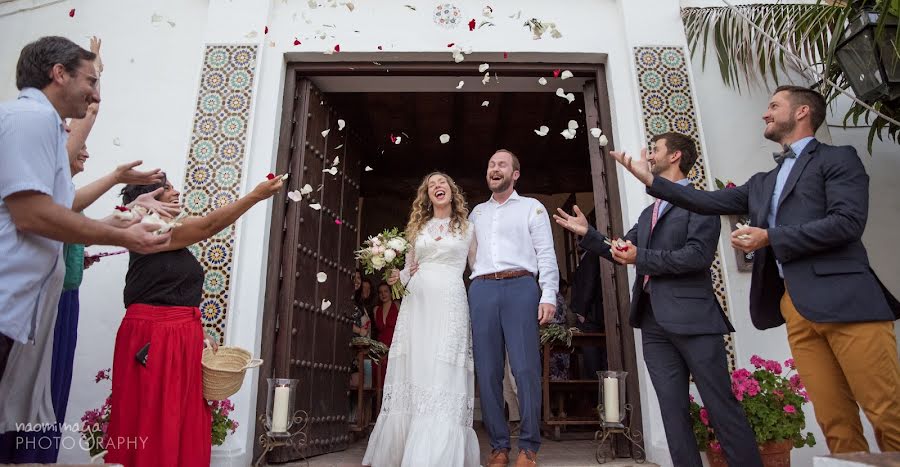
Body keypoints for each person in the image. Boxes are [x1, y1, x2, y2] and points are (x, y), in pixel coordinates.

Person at [611, 86, 900, 454]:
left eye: (774, 106)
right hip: (796, 307)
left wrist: (771, 237)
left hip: (849, 301)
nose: (765, 113)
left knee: (886, 413)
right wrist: (650, 180)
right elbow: (704, 201)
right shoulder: (763, 182)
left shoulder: (838, 159)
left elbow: (847, 223)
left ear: (802, 112)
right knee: (835, 420)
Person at [555, 132, 763, 466]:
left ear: (676, 156)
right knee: (672, 412)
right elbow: (624, 249)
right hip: (653, 322)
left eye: (655, 150)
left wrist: (641, 258)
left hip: (695, 319)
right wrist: (589, 236)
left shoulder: (701, 203)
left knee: (721, 407)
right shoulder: (648, 213)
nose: (649, 156)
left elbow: (696, 257)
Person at [0, 36, 166, 436]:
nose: (95, 94)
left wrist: (118, 224)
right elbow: (31, 214)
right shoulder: (30, 119)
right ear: (59, 74)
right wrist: (123, 238)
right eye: (90, 81)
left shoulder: (48, 128)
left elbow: (62, 207)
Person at [104, 173, 283, 467]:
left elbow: (167, 290)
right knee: (154, 413)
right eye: (168, 189)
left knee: (178, 415)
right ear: (149, 200)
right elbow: (208, 225)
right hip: (154, 337)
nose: (176, 192)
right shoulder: (149, 229)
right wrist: (255, 195)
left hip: (178, 335)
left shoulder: (167, 236)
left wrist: (197, 329)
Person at [362, 172, 479, 467]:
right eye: (431, 186)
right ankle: (406, 447)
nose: (437, 187)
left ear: (452, 191)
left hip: (451, 302)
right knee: (418, 367)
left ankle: (438, 453)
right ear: (427, 196)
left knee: (443, 367)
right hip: (417, 306)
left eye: (442, 183)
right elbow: (407, 269)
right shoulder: (418, 228)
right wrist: (395, 274)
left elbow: (478, 269)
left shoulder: (469, 228)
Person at [468, 149, 559, 467]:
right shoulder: (476, 213)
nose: (495, 168)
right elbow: (468, 255)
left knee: (525, 369)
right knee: (488, 370)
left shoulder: (532, 208)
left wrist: (548, 294)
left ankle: (529, 447)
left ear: (515, 174)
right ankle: (499, 447)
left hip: (521, 287)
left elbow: (546, 253)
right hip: (481, 290)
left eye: (501, 164)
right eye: (491, 164)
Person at [372, 282, 399, 387]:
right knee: (379, 378)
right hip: (380, 348)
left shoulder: (397, 305)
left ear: (391, 292)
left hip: (394, 345)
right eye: (380, 292)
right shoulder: (376, 310)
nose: (383, 294)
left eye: (386, 291)